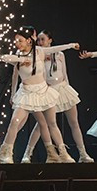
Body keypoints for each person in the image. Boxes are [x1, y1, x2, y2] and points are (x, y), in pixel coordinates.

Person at [0, 26, 81, 163]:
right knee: (14, 122)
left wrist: (71, 45)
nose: (17, 44)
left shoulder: (39, 52)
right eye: (16, 41)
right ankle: (5, 154)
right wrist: (20, 60)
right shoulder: (17, 56)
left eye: (20, 41)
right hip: (26, 93)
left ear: (29, 41)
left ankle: (63, 154)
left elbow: (54, 49)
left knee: (51, 123)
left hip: (43, 92)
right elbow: (3, 57)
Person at [21, 30, 93, 163]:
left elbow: (65, 73)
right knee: (41, 125)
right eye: (39, 40)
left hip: (63, 88)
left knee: (74, 123)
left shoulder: (60, 55)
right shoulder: (37, 55)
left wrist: (68, 89)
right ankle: (27, 154)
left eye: (43, 39)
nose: (40, 42)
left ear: (50, 40)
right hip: (48, 91)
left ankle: (83, 154)